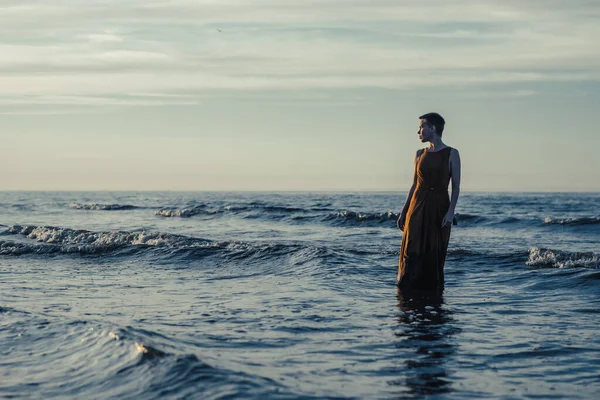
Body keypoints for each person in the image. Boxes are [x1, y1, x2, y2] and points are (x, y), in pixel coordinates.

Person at [397, 112, 461, 290]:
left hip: (439, 207)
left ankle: (432, 293)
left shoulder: (452, 153)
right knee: (412, 249)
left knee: (435, 251)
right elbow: (414, 185)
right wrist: (404, 211)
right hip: (416, 208)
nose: (418, 131)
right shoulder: (419, 154)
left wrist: (450, 213)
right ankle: (408, 291)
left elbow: (455, 188)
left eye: (421, 127)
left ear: (432, 128)